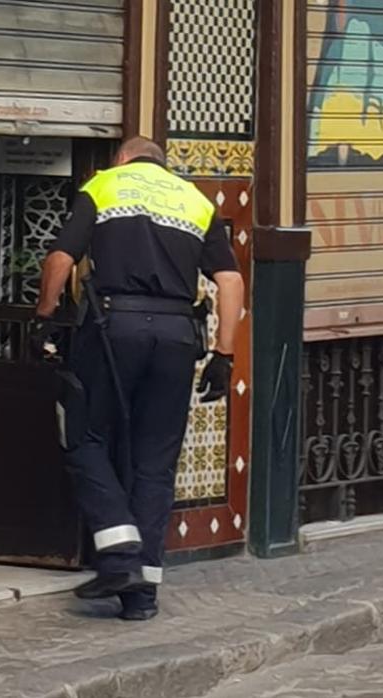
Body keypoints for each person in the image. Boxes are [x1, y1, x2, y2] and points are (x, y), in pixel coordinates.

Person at [34, 136, 244, 621]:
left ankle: (120, 554)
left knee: (82, 434)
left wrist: (43, 319)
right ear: (162, 163)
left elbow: (60, 259)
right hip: (177, 336)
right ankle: (141, 595)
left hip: (113, 329)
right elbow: (230, 280)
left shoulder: (105, 186)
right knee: (155, 458)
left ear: (122, 158)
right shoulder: (195, 198)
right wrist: (223, 355)